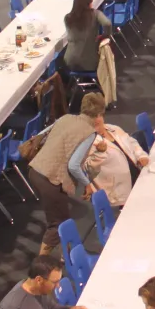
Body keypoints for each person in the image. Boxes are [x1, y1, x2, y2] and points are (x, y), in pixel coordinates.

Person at [28, 92, 107, 254]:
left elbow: (42, 138)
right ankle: (41, 264)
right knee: (58, 224)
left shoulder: (65, 118)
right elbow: (73, 166)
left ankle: (69, 254)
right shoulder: (89, 133)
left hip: (35, 170)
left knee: (64, 219)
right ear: (99, 115)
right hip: (50, 179)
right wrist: (88, 185)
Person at [68, 116, 149, 207]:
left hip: (139, 176)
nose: (95, 119)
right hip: (119, 192)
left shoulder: (113, 128)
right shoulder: (86, 142)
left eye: (97, 115)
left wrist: (141, 155)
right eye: (91, 116)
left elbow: (132, 143)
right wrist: (99, 154)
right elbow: (88, 169)